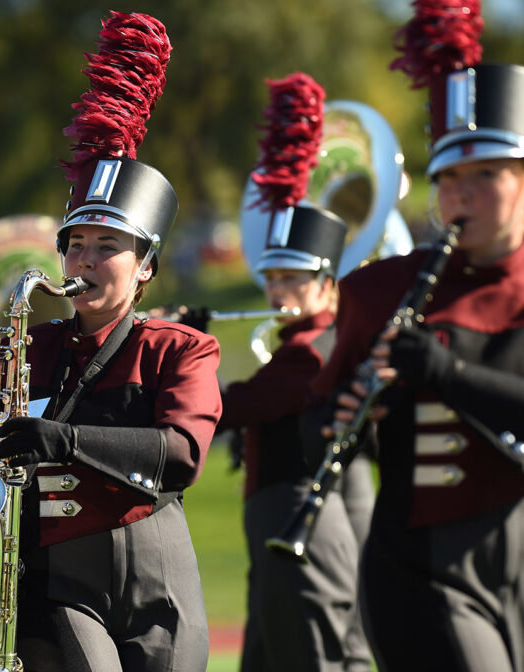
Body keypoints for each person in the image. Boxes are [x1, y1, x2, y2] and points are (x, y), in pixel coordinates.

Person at [0, 12, 222, 672]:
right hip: (59, 585)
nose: (84, 261)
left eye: (107, 247)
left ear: (146, 268)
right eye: (75, 246)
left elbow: (181, 456)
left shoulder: (182, 348)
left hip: (160, 576)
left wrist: (65, 440)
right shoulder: (18, 353)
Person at [306, 9, 524, 671]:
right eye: (449, 179)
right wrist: (355, 412)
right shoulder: (384, 291)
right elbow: (320, 417)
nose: (461, 195)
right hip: (421, 566)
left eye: (485, 175)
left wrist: (442, 371)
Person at [214, 71, 373, 672]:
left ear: (328, 285)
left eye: (294, 280)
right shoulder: (300, 342)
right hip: (280, 519)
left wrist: (179, 350)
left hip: (298, 518)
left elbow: (235, 406)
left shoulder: (313, 348)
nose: (278, 291)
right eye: (273, 278)